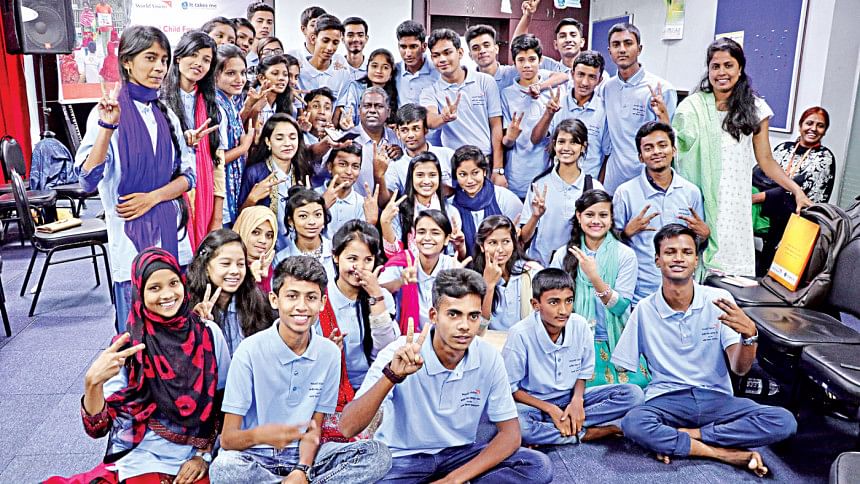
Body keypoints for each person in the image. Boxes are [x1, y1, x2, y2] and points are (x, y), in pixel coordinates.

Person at [615, 224, 797, 477]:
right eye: (670, 252)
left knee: (784, 421)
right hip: (667, 398)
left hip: (717, 398)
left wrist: (750, 336)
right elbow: (624, 368)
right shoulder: (644, 309)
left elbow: (740, 368)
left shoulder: (719, 299)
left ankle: (688, 439)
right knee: (633, 423)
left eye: (687, 252)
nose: (679, 258)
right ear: (657, 260)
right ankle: (724, 453)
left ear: (696, 260)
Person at [340, 268, 553, 483]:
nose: (464, 326)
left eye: (473, 316)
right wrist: (391, 376)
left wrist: (452, 480)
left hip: (459, 454)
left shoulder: (488, 356)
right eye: (453, 314)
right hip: (403, 458)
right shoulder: (400, 351)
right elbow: (348, 427)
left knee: (537, 466)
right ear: (434, 316)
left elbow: (511, 434)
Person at [53, 247, 231, 483]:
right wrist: (92, 384)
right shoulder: (128, 345)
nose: (167, 294)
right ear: (139, 293)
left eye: (173, 283)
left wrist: (203, 455)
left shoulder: (207, 334)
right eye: (154, 288)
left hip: (197, 454)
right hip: (143, 457)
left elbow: (223, 402)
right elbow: (97, 429)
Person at [209, 256, 392, 483]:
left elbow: (315, 426)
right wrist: (262, 435)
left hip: (307, 456)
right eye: (292, 296)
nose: (302, 306)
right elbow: (228, 439)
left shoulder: (329, 352)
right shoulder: (249, 351)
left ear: (322, 303)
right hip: (256, 454)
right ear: (274, 300)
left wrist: (302, 469)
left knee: (377, 454)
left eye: (311, 297)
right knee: (223, 467)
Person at [76, 26, 196, 329]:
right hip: (131, 247)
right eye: (150, 58)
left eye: (164, 60)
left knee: (177, 330)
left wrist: (153, 197)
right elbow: (87, 180)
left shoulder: (165, 113)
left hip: (173, 238)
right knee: (136, 334)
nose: (160, 68)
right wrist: (107, 127)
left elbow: (189, 175)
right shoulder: (106, 113)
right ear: (127, 62)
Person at [673, 37, 812, 276]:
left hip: (733, 203)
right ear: (708, 70)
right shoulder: (692, 107)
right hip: (699, 198)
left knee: (731, 274)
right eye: (715, 66)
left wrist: (796, 190)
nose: (721, 72)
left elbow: (766, 160)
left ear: (740, 69)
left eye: (728, 65)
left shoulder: (755, 109)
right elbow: (677, 151)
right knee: (691, 268)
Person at [502, 267, 644, 446]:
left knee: (634, 395)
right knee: (520, 427)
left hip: (571, 397)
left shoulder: (580, 325)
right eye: (554, 302)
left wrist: (577, 402)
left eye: (568, 301)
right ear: (535, 304)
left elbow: (583, 373)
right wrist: (550, 409)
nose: (563, 310)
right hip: (535, 404)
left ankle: (560, 426)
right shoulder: (520, 334)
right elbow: (511, 389)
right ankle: (587, 433)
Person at [549, 189, 649, 388]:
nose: (596, 221)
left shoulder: (625, 255)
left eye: (603, 215)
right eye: (589, 215)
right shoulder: (563, 255)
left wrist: (594, 277)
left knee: (634, 389)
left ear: (611, 219)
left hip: (614, 341)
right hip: (572, 340)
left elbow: (620, 306)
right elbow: (551, 301)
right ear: (579, 217)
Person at [614, 122, 708, 304]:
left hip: (682, 292)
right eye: (648, 148)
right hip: (638, 292)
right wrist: (626, 233)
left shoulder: (691, 192)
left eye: (662, 145)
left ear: (674, 150)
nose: (656, 152)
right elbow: (609, 245)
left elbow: (696, 244)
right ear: (640, 157)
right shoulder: (625, 193)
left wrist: (704, 236)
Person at [753, 106, 836, 274]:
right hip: (770, 216)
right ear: (800, 125)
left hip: (797, 221)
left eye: (820, 126)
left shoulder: (824, 157)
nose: (813, 129)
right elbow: (758, 173)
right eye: (809, 123)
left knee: (780, 274)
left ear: (825, 131)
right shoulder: (784, 148)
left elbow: (797, 193)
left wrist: (759, 196)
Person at [161, 31, 223, 250]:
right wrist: (181, 143)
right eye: (193, 55)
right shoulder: (159, 100)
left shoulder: (211, 104)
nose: (199, 63)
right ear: (178, 57)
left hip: (204, 194)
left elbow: (218, 162)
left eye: (206, 60)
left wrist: (217, 217)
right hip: (171, 194)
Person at [421, 28, 505, 188]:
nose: (442, 59)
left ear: (460, 53)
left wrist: (498, 169)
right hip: (453, 165)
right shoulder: (430, 91)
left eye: (447, 53)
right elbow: (430, 120)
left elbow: (496, 126)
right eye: (436, 55)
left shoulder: (485, 82)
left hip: (484, 162)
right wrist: (443, 118)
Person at [602, 23, 677, 194]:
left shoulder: (661, 89)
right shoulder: (607, 88)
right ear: (609, 51)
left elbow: (671, 142)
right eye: (616, 45)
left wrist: (663, 116)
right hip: (614, 182)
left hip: (648, 182)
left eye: (628, 43)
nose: (622, 49)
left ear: (639, 49)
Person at [325, 220, 399, 391]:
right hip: (332, 387)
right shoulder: (322, 299)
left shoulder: (383, 297)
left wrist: (375, 297)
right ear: (335, 257)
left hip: (374, 385)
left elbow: (386, 351)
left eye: (368, 260)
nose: (359, 267)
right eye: (352, 259)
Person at [519, 119, 604, 265]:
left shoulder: (594, 189)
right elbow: (524, 238)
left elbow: (600, 236)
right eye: (561, 141)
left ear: (583, 147)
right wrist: (535, 216)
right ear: (554, 145)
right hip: (541, 267)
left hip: (575, 267)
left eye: (574, 142)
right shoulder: (539, 184)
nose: (566, 148)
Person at [187, 228, 272, 355]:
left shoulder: (258, 304)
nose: (235, 271)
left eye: (240, 264)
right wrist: (199, 326)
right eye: (226, 264)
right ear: (205, 267)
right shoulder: (189, 308)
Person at [380, 210, 467, 331]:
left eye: (435, 233)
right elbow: (376, 291)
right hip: (406, 337)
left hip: (443, 336)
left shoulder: (452, 266)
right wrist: (400, 282)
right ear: (414, 237)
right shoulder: (404, 261)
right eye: (421, 232)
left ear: (446, 239)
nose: (427, 238)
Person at [531, 51, 610, 178]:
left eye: (592, 77)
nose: (584, 82)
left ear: (599, 80)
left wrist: (597, 186)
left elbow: (607, 155)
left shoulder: (605, 111)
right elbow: (535, 139)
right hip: (557, 180)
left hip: (589, 183)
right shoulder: (557, 103)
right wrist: (548, 114)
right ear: (572, 74)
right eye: (580, 74)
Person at [239, 114, 312, 251]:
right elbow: (240, 218)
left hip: (296, 248)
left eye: (292, 137)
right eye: (279, 138)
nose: (287, 143)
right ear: (268, 141)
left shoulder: (302, 171)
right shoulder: (254, 173)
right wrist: (252, 199)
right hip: (265, 249)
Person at [500, 34, 557, 198]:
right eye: (521, 60)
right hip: (516, 176)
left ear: (540, 60)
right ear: (514, 63)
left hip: (546, 174)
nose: (527, 65)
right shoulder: (507, 94)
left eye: (532, 59)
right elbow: (506, 143)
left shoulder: (552, 91)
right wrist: (510, 137)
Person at [379, 153, 462, 258]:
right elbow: (394, 256)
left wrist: (459, 246)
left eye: (432, 175)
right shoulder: (399, 211)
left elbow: (453, 256)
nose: (426, 181)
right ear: (411, 178)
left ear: (439, 178)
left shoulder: (451, 212)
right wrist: (385, 223)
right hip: (406, 267)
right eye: (420, 175)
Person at [470, 215, 541, 331]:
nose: (500, 249)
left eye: (506, 242)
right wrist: (489, 286)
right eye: (493, 243)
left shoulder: (532, 272)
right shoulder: (473, 279)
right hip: (491, 340)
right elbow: (479, 329)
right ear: (482, 246)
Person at [451, 146, 523, 256]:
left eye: (475, 173)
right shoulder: (451, 204)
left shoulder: (504, 198)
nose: (470, 180)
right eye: (463, 174)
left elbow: (520, 241)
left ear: (484, 171)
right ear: (456, 176)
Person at [214, 44, 255, 226]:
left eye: (243, 73)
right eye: (231, 73)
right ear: (215, 75)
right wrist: (244, 147)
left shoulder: (229, 101)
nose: (240, 79)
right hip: (219, 196)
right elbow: (216, 159)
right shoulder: (217, 107)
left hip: (231, 189)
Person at [384, 103, 454, 203]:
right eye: (404, 130)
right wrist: (379, 175)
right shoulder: (395, 166)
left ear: (425, 130)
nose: (410, 135)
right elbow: (386, 201)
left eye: (416, 128)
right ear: (398, 133)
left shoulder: (447, 155)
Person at [466, 25, 568, 92]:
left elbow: (562, 76)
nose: (482, 51)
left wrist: (539, 87)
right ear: (470, 55)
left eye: (486, 45)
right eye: (476, 48)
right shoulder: (468, 83)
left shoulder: (515, 71)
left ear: (496, 48)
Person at [273, 187, 337, 284]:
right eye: (303, 216)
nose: (312, 222)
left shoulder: (336, 250)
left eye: (318, 215)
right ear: (291, 221)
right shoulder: (281, 259)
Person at [318, 143, 379, 238]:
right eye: (342, 164)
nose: (349, 172)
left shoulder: (363, 204)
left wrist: (371, 223)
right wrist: (321, 207)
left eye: (355, 166)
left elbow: (363, 241)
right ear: (330, 167)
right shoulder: (314, 195)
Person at [352, 86, 404, 195]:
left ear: (388, 112)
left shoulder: (397, 138)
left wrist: (401, 157)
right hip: (357, 204)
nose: (372, 110)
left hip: (391, 203)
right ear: (359, 110)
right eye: (367, 106)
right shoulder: (347, 139)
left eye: (379, 106)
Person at [335, 48, 400, 128]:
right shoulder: (355, 87)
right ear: (367, 68)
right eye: (374, 66)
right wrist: (347, 124)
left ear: (391, 74)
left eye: (385, 67)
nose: (379, 71)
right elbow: (349, 114)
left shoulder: (395, 91)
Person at [514, 1, 584, 72]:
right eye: (562, 36)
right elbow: (518, 46)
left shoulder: (590, 69)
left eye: (573, 35)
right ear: (555, 44)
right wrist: (527, 16)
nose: (568, 39)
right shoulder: (548, 67)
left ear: (582, 42)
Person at [297, 14, 352, 104]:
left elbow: (340, 106)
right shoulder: (298, 71)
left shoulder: (342, 72)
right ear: (313, 39)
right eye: (325, 41)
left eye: (335, 43)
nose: (330, 48)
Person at [232, 205, 278, 294]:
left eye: (269, 235)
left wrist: (263, 278)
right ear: (243, 230)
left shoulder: (276, 270)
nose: (263, 240)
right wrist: (251, 276)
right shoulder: (224, 265)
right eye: (256, 232)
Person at [394, 20, 440, 107]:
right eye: (403, 47)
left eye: (413, 47)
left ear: (424, 47)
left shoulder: (438, 72)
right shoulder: (393, 71)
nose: (408, 53)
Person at [249, 54, 297, 123]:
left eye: (285, 75)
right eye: (275, 73)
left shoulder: (288, 107)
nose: (282, 78)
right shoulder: (250, 101)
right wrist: (255, 111)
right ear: (261, 78)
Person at [246, 1, 274, 67]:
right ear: (249, 23)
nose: (265, 26)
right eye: (260, 21)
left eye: (269, 22)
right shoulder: (242, 57)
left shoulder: (276, 57)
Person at [343, 16, 370, 81]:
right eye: (350, 35)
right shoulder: (334, 69)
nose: (356, 39)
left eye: (360, 35)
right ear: (342, 39)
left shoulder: (373, 70)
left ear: (366, 39)